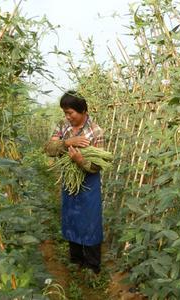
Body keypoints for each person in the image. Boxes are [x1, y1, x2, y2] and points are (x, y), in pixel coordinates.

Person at [44, 91, 104, 274]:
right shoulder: (63, 126)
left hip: (88, 182)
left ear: (83, 110)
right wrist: (68, 141)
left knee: (90, 220)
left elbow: (97, 165)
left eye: (70, 113)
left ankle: (93, 265)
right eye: (65, 113)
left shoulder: (95, 131)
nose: (67, 117)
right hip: (69, 182)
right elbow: (48, 149)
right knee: (72, 217)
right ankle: (76, 259)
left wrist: (80, 161)